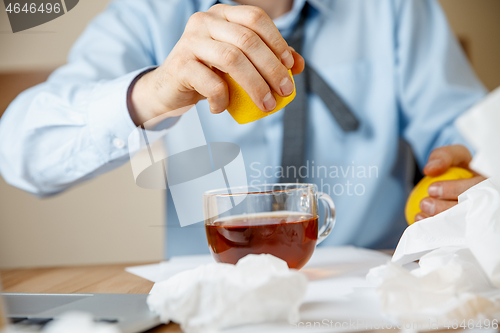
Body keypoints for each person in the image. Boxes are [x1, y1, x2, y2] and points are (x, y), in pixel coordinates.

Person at [0, 0, 487, 257]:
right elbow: (21, 151)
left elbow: (463, 137)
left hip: (379, 288)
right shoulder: (147, 11)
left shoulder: (395, 7)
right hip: (214, 299)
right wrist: (155, 90)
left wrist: (473, 178)